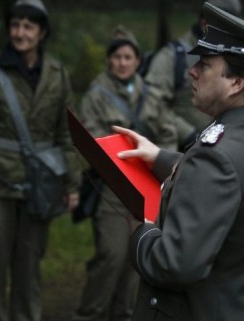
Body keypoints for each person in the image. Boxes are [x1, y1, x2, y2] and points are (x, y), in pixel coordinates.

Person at [115, 2, 244, 321]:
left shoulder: (217, 156)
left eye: (204, 64)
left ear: (236, 82)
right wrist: (160, 157)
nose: (191, 71)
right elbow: (237, 180)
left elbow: (176, 265)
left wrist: (140, 231)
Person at [0, 0, 81, 321]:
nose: (20, 33)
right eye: (15, 25)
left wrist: (72, 183)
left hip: (39, 185)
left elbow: (66, 132)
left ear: (42, 32)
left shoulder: (56, 75)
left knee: (30, 268)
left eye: (29, 26)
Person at [73, 25, 176, 321]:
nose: (122, 62)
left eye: (128, 57)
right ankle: (90, 314)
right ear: (109, 60)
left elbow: (167, 132)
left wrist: (159, 162)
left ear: (138, 61)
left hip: (147, 186)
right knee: (111, 255)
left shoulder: (151, 95)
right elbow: (89, 138)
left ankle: (126, 315)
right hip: (113, 187)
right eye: (116, 56)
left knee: (138, 258)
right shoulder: (97, 94)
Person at [144, 0, 242, 150]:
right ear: (204, 23)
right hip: (179, 151)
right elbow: (151, 104)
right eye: (224, 27)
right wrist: (189, 135)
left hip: (225, 147)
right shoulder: (171, 56)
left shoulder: (234, 55)